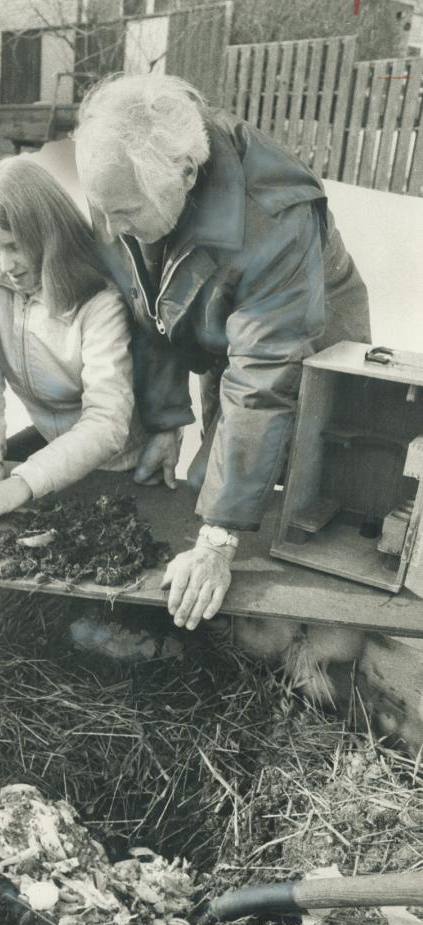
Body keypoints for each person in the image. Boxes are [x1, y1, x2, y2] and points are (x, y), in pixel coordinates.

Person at [73, 73, 371, 630]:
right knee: (208, 478)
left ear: (185, 174)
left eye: (124, 213)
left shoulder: (274, 218)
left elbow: (261, 380)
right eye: (102, 210)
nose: (109, 230)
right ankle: (217, 599)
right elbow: (146, 301)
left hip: (313, 328)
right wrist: (165, 419)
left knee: (308, 480)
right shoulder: (123, 185)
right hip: (216, 317)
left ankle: (314, 629)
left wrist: (218, 539)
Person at [0, 156, 147, 519]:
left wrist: (24, 481)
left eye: (14, 246)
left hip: (119, 467)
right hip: (49, 452)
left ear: (46, 233)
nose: (5, 265)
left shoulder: (99, 302)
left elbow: (107, 421)